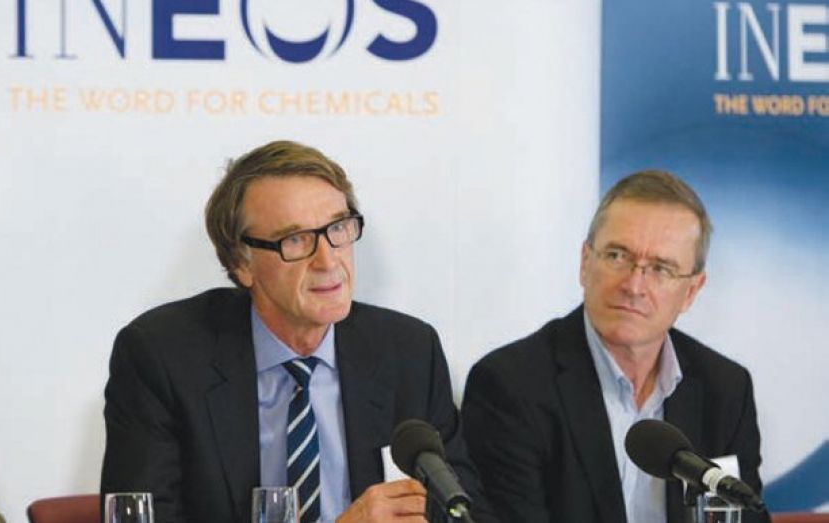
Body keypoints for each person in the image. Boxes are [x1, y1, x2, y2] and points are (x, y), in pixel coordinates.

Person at [101, 140, 495, 523]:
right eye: (295, 239)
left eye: (338, 228)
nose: (328, 260)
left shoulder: (408, 351)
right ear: (242, 263)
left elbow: (467, 510)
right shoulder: (163, 357)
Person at [462, 170, 769, 523]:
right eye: (618, 256)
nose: (634, 286)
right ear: (585, 262)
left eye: (661, 268)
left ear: (691, 291)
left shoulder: (725, 390)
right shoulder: (510, 386)